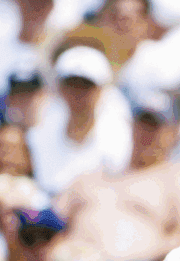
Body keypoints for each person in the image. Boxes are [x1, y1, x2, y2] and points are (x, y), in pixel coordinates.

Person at [55, 89, 180, 261]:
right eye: (142, 123)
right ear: (131, 125)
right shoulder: (94, 176)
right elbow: (51, 221)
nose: (146, 133)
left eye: (155, 126)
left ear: (174, 133)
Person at [25, 45, 133, 197]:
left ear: (101, 90)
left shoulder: (120, 138)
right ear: (60, 88)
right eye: (71, 84)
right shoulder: (39, 134)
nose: (77, 93)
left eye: (86, 86)